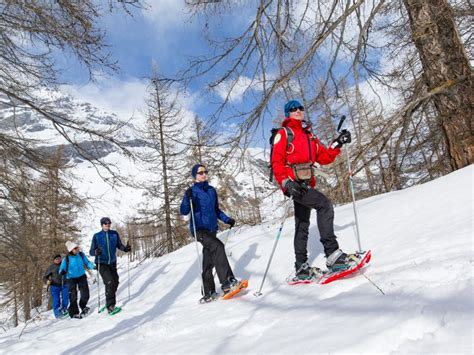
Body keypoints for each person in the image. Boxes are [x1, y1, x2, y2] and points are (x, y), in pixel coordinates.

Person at [271, 99, 352, 280]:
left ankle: (301, 267)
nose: (298, 110)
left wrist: (337, 144)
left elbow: (323, 157)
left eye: (300, 107)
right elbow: (276, 161)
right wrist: (285, 183)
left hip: (307, 183)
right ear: (287, 114)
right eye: (293, 109)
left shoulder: (309, 136)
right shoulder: (284, 133)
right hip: (294, 184)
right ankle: (332, 255)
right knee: (324, 205)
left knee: (302, 225)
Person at [180, 163, 239, 303]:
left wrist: (227, 219)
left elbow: (216, 210)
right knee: (218, 246)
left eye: (205, 172)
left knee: (208, 261)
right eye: (200, 173)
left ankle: (209, 292)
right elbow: (184, 211)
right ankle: (227, 282)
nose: (204, 174)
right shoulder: (192, 192)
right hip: (199, 230)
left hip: (212, 229)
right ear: (195, 175)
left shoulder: (212, 190)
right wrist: (186, 198)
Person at [90, 217, 131, 314]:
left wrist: (125, 249)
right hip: (102, 262)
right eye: (105, 223)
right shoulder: (97, 236)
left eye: (109, 223)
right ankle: (110, 306)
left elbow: (119, 245)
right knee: (109, 282)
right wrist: (96, 251)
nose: (107, 225)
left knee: (115, 282)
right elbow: (91, 251)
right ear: (102, 224)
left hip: (112, 262)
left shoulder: (114, 234)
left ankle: (109, 299)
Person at [59, 241, 95, 318]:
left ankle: (83, 306)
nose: (77, 249)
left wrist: (93, 266)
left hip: (81, 276)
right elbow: (62, 268)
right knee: (73, 296)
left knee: (85, 294)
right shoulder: (66, 258)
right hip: (71, 278)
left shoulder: (81, 255)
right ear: (71, 250)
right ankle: (74, 312)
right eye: (75, 248)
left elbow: (87, 262)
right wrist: (62, 271)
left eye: (77, 247)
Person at [43, 254, 69, 319]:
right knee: (56, 300)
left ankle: (64, 309)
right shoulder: (51, 267)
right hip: (54, 286)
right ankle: (57, 314)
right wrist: (47, 281)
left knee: (65, 298)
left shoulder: (64, 265)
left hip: (64, 284)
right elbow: (44, 277)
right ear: (54, 260)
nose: (58, 260)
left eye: (59, 259)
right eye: (56, 259)